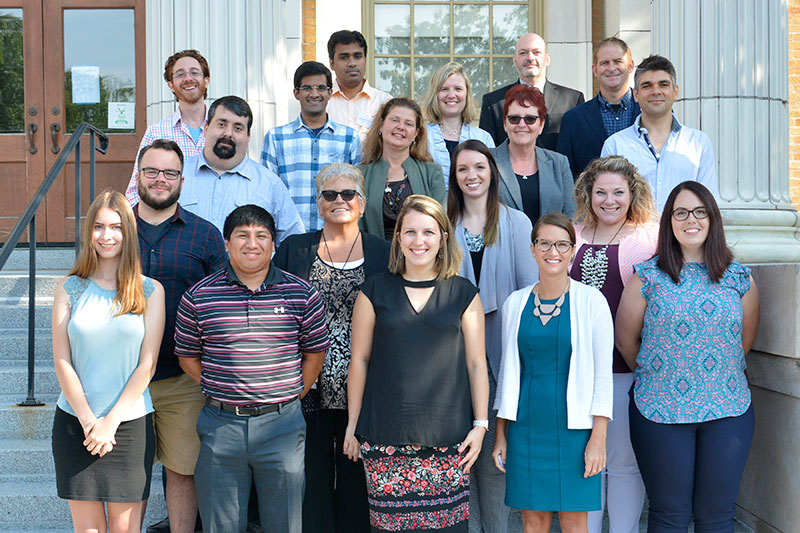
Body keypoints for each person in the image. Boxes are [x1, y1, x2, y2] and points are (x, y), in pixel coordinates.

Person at [175, 205, 330, 532]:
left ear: (274, 244)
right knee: (221, 524)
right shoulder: (199, 297)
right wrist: (220, 386)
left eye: (262, 236)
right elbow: (187, 356)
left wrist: (287, 395)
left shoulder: (301, 294)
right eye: (242, 235)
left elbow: (314, 355)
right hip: (221, 425)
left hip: (283, 425)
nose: (252, 243)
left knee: (285, 524)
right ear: (226, 244)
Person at [616, 182, 760, 531]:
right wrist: (663, 371)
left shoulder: (739, 278)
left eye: (699, 211)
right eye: (680, 212)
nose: (690, 220)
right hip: (659, 409)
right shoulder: (647, 277)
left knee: (717, 516)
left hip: (728, 409)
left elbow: (744, 343)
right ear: (670, 222)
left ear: (712, 219)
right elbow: (625, 340)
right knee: (669, 516)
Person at [344, 195, 490, 532]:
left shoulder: (463, 293)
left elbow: (476, 364)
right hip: (384, 436)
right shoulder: (373, 291)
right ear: (398, 239)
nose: (419, 241)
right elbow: (360, 361)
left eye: (428, 232)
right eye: (409, 232)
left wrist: (480, 425)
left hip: (449, 437)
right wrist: (353, 424)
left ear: (442, 238)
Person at [273, 163, 390, 533]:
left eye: (348, 194)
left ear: (362, 201)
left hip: (365, 386)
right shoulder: (294, 249)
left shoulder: (384, 252)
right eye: (329, 194)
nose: (339, 200)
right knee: (311, 479)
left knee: (359, 481)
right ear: (317, 202)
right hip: (308, 386)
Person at [51, 190, 166, 532]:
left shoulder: (150, 291)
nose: (106, 235)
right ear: (89, 234)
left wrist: (110, 422)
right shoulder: (69, 288)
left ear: (127, 233)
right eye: (99, 227)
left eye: (115, 227)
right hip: (76, 424)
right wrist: (89, 420)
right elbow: (61, 360)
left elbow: (147, 364)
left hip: (129, 427)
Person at [493, 212, 613, 533]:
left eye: (561, 244)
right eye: (544, 243)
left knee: (575, 521)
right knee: (533, 521)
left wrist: (598, 439)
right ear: (532, 249)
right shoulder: (515, 304)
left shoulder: (592, 302)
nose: (552, 252)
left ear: (573, 250)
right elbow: (508, 374)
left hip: (575, 429)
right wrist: (501, 434)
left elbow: (603, 375)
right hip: (527, 427)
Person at [134, 139, 227, 533]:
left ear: (182, 181)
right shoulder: (112, 230)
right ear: (138, 176)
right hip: (122, 378)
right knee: (128, 476)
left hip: (183, 378)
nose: (160, 179)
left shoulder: (204, 236)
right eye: (152, 171)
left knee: (183, 470)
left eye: (169, 172)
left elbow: (220, 307)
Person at [446, 140, 538, 533]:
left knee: (495, 460)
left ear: (492, 172)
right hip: (452, 357)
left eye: (479, 167)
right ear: (454, 176)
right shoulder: (442, 224)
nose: (472, 175)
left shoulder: (517, 223)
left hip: (504, 352)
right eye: (463, 169)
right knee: (460, 458)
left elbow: (528, 290)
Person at [568, 156, 657, 533]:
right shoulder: (571, 234)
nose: (609, 200)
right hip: (575, 372)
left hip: (625, 370)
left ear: (632, 194)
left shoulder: (649, 237)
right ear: (588, 194)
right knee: (583, 463)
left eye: (618, 192)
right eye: (600, 192)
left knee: (622, 462)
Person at [179, 95, 304, 243]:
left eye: (238, 128)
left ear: (248, 136)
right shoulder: (177, 175)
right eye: (221, 124)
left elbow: (292, 242)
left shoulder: (270, 184)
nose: (228, 133)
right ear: (206, 128)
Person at [601, 55, 718, 212]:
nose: (656, 91)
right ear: (635, 95)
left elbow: (709, 203)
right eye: (647, 86)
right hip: (633, 235)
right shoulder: (615, 145)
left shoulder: (698, 143)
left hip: (683, 235)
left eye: (663, 85)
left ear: (675, 91)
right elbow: (608, 205)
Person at [261, 61, 362, 232]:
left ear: (330, 93)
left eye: (321, 88)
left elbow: (357, 194)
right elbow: (266, 194)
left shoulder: (349, 138)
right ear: (296, 93)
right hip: (289, 237)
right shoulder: (276, 138)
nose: (314, 94)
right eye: (307, 88)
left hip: (337, 236)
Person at [126, 50, 211, 205]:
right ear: (171, 85)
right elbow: (134, 191)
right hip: (172, 225)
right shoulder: (156, 132)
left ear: (206, 80)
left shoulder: (223, 132)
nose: (188, 78)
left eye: (194, 72)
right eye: (180, 74)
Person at [358, 98, 446, 240]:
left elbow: (440, 224)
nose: (401, 127)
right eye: (395, 120)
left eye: (408, 123)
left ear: (416, 134)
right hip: (374, 256)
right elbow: (357, 226)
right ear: (381, 125)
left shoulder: (432, 172)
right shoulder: (361, 174)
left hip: (420, 255)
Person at [479, 33, 584, 149]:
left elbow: (579, 147)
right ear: (515, 60)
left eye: (536, 52)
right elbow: (487, 153)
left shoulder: (573, 100)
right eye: (523, 53)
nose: (530, 58)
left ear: (547, 59)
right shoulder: (493, 103)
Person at [490, 84, 576, 225]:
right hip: (501, 245)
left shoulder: (559, 163)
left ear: (541, 125)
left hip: (550, 245)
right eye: (514, 119)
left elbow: (570, 216)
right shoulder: (487, 161)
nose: (522, 124)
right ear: (505, 124)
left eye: (530, 119)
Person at [557, 38, 640, 179]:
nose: (612, 68)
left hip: (645, 200)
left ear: (631, 66)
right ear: (595, 70)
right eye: (604, 63)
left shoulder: (649, 113)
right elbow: (565, 175)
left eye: (618, 62)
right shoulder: (573, 120)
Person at [422, 62, 495, 186]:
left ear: (467, 94)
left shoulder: (483, 138)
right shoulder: (422, 136)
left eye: (458, 89)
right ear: (435, 95)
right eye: (444, 89)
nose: (451, 95)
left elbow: (493, 183)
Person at [326, 30, 392, 141]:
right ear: (332, 63)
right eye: (344, 57)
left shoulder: (384, 102)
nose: (352, 63)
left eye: (357, 56)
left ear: (365, 59)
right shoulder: (322, 103)